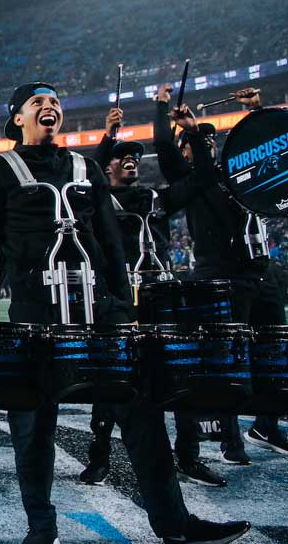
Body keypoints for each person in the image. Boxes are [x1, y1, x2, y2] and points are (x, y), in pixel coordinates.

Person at [0, 81, 249, 544]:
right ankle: (41, 527)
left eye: (55, 102)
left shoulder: (85, 166)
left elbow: (111, 242)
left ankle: (174, 525)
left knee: (140, 408)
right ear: (17, 119)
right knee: (33, 421)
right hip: (35, 305)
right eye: (38, 103)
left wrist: (123, 306)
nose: (49, 107)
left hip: (101, 305)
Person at [154, 85, 288, 460]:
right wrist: (161, 109)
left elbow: (268, 147)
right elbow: (164, 148)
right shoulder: (189, 181)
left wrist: (256, 111)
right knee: (227, 360)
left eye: (211, 139)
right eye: (198, 140)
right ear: (186, 148)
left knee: (271, 352)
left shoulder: (235, 174)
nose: (207, 144)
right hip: (220, 276)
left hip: (260, 272)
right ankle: (229, 440)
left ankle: (266, 425)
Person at [80, 103, 225, 488]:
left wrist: (191, 132)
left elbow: (203, 179)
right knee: (112, 378)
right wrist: (107, 137)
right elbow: (81, 178)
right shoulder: (95, 203)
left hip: (162, 296)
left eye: (134, 158)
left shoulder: (156, 198)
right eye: (121, 158)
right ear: (106, 166)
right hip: (119, 298)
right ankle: (99, 458)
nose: (130, 161)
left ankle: (189, 457)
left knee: (180, 375)